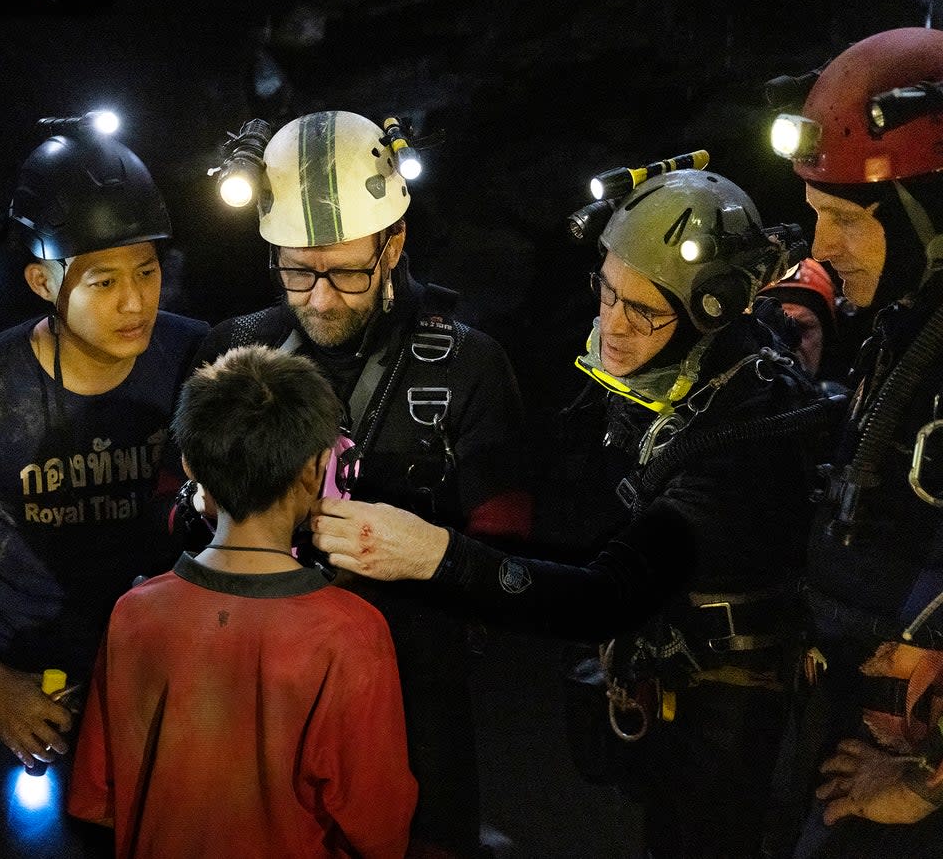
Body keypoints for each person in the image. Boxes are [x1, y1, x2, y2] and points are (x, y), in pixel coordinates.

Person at [313, 168, 822, 858]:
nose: (611, 326)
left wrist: (434, 553)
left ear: (716, 307)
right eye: (607, 292)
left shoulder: (738, 443)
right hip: (681, 671)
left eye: (643, 310)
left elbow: (607, 593)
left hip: (735, 713)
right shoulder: (689, 375)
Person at [195, 109, 530, 857]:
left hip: (417, 698)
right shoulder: (233, 352)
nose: (318, 298)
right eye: (296, 268)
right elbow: (173, 524)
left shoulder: (469, 366)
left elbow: (510, 561)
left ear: (394, 245)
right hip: (261, 692)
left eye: (346, 271)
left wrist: (431, 560)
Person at [0, 120, 208, 859]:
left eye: (147, 272)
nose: (134, 302)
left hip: (165, 678)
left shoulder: (198, 359)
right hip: (22, 684)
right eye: (103, 279)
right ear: (43, 280)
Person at [68, 345, 418, 858]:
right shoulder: (350, 632)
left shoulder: (134, 612)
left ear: (190, 466)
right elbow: (378, 824)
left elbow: (98, 797)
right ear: (315, 469)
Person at [762, 27, 943, 858]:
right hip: (856, 735)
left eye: (845, 220)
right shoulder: (905, 332)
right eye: (814, 218)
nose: (822, 253)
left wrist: (923, 783)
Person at [759, 258, 839, 381]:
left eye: (802, 328)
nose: (790, 342)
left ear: (826, 339)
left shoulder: (854, 399)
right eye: (775, 328)